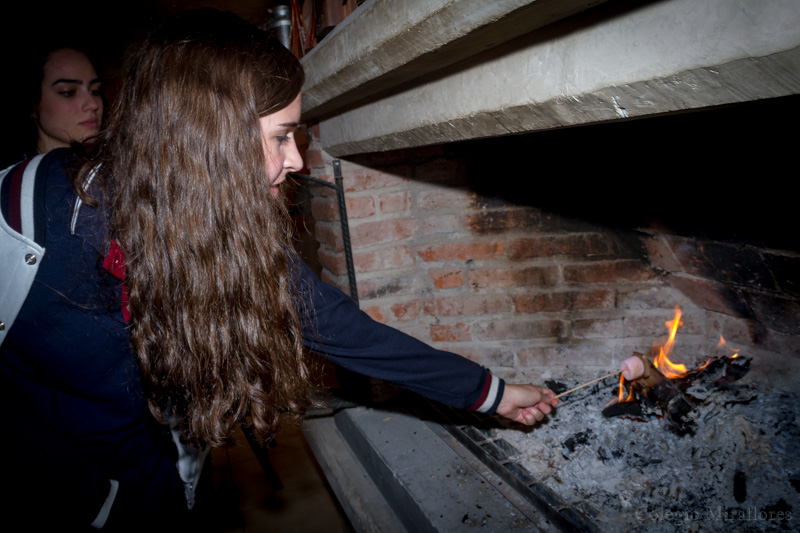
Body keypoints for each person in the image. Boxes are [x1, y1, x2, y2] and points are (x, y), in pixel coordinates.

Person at [0, 10, 556, 530]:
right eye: (281, 137)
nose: (296, 160)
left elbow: (335, 324)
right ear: (210, 138)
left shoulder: (215, 217)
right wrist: (93, 499)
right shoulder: (25, 215)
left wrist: (491, 393)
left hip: (160, 472)